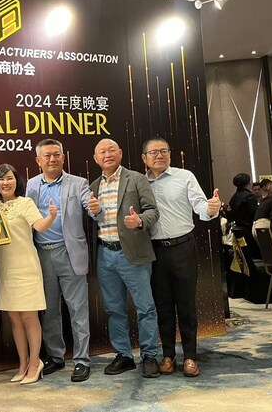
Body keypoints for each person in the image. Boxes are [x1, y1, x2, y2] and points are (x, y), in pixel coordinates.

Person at [141, 137, 221, 377]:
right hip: (154, 251)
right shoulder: (139, 183)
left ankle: (190, 357)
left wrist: (210, 209)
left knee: (186, 305)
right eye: (153, 152)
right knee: (163, 306)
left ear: (170, 154)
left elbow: (200, 206)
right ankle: (168, 356)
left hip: (183, 247)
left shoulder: (185, 176)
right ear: (144, 158)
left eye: (164, 151)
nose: (159, 155)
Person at [88, 138, 160, 378]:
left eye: (111, 150)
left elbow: (153, 211)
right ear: (96, 158)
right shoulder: (94, 186)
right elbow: (94, 219)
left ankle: (149, 356)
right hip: (105, 254)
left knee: (145, 307)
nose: (107, 154)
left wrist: (139, 221)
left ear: (120, 153)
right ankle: (124, 355)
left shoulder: (136, 179)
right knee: (113, 309)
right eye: (102, 152)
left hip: (133, 253)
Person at [26, 138, 92, 383]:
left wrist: (95, 208)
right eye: (47, 155)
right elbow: (24, 214)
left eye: (56, 154)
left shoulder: (78, 183)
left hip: (69, 252)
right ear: (38, 160)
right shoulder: (31, 185)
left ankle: (82, 360)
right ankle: (55, 356)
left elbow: (90, 207)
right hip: (42, 254)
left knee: (78, 309)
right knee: (50, 311)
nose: (52, 159)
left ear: (63, 157)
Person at [0, 164, 57, 384]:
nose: (5, 182)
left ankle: (36, 363)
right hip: (6, 269)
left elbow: (40, 226)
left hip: (26, 267)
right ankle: (22, 363)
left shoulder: (25, 202)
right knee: (14, 318)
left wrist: (51, 216)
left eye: (9, 178)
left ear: (16, 181)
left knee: (29, 317)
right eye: (1, 179)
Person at [228, 173, 259, 259]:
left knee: (245, 254)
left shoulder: (234, 197)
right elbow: (254, 213)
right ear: (248, 183)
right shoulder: (249, 196)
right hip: (248, 229)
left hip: (237, 229)